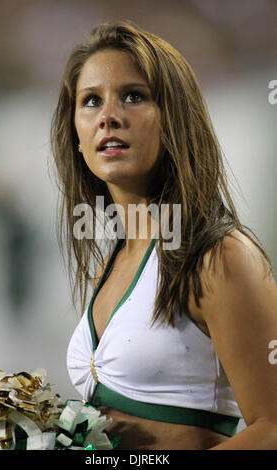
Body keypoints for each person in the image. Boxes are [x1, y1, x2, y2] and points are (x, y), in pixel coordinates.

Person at [50, 21, 277, 450]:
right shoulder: (109, 264)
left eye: (133, 96)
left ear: (176, 119)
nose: (108, 116)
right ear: (77, 136)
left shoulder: (220, 257)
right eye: (91, 101)